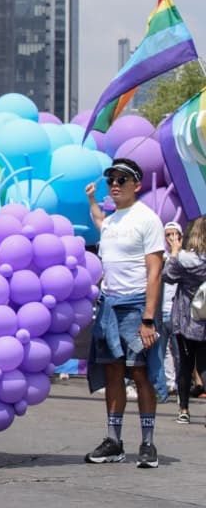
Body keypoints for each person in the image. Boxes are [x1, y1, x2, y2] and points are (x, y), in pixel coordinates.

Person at [83, 158, 164, 468]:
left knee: (141, 372)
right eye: (111, 180)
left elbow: (154, 272)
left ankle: (147, 443)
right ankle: (114, 441)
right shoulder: (113, 221)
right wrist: (92, 200)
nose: (115, 184)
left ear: (137, 185)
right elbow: (99, 220)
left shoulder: (148, 219)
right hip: (108, 305)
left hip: (136, 305)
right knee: (113, 371)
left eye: (122, 179)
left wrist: (148, 318)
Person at [163, 217, 206, 426]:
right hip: (205, 318)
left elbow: (168, 276)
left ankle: (184, 409)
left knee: (185, 366)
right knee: (205, 365)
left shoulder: (184, 260)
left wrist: (174, 253)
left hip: (185, 318)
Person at [161, 222, 182, 397]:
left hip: (179, 312)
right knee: (161, 351)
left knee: (179, 351)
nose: (171, 238)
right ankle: (168, 384)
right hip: (161, 310)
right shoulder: (161, 257)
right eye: (168, 235)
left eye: (175, 235)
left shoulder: (186, 257)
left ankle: (181, 385)